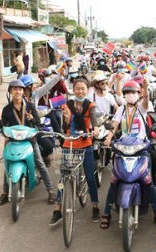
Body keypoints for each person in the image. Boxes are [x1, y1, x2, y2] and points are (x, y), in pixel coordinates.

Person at [99, 80, 156, 230]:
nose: (130, 95)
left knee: (148, 180)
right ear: (124, 95)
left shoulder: (142, 108)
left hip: (141, 149)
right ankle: (107, 212)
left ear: (138, 94)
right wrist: (109, 138)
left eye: (133, 92)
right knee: (115, 179)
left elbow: (146, 101)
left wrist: (146, 88)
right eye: (127, 92)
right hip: (123, 149)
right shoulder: (121, 110)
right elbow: (114, 125)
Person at [49, 78, 101, 226]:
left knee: (90, 177)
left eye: (83, 88)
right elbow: (65, 125)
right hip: (69, 144)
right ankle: (57, 210)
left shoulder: (90, 105)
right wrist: (65, 117)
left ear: (87, 89)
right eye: (77, 88)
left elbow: (94, 120)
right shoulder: (68, 105)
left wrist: (95, 129)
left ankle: (95, 206)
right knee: (63, 177)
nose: (80, 91)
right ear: (73, 89)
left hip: (85, 144)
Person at [0, 80, 54, 206]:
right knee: (7, 165)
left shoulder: (30, 106)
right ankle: (5, 193)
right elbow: (3, 128)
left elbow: (38, 124)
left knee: (40, 163)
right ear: (10, 91)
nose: (17, 91)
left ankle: (51, 190)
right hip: (14, 141)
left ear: (23, 91)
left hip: (29, 141)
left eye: (20, 89)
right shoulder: (6, 109)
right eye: (15, 89)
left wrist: (32, 119)